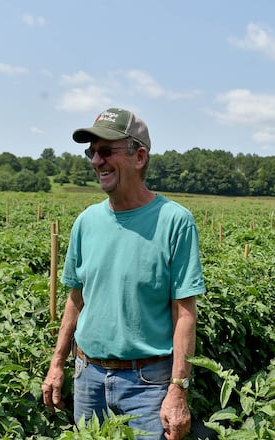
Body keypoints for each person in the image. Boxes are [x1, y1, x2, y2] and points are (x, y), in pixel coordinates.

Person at [42, 108, 206, 440]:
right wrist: (57, 363)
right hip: (88, 376)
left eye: (106, 151)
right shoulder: (86, 222)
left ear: (139, 156)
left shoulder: (174, 221)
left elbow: (184, 313)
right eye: (91, 152)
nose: (96, 161)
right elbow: (76, 299)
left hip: (147, 384)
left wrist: (178, 389)